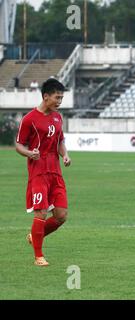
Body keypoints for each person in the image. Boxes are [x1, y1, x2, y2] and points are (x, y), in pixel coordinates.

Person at [15, 78, 71, 266]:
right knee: (40, 214)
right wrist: (30, 153)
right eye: (57, 97)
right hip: (38, 171)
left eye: (61, 98)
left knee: (61, 215)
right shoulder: (29, 119)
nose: (59, 101)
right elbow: (18, 145)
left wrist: (65, 155)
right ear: (46, 96)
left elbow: (60, 140)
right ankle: (38, 256)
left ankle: (34, 235)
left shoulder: (57, 117)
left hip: (55, 170)